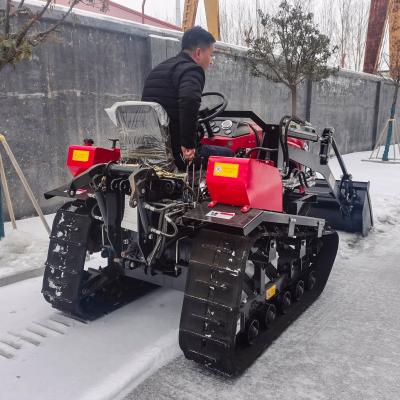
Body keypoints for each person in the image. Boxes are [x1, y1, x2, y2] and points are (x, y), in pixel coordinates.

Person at [141, 26, 234, 171]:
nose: (211, 61)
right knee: (230, 156)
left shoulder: (159, 68)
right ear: (198, 53)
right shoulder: (192, 70)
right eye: (211, 55)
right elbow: (189, 101)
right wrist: (189, 145)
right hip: (177, 153)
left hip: (152, 152)